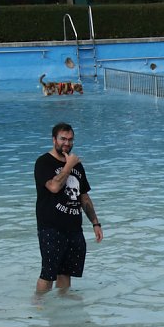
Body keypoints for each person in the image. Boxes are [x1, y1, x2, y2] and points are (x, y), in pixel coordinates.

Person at [34, 122, 103, 293]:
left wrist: (95, 223)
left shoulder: (76, 165)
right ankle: (38, 307)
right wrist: (68, 165)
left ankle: (63, 311)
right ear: (54, 140)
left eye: (70, 139)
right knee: (48, 273)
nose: (67, 143)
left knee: (66, 273)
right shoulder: (44, 162)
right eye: (63, 139)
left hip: (73, 228)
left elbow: (84, 197)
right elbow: (54, 187)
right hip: (50, 227)